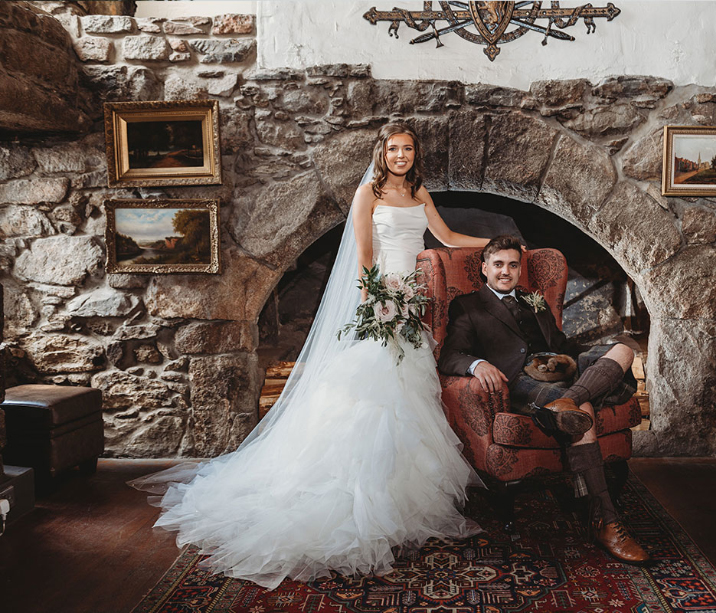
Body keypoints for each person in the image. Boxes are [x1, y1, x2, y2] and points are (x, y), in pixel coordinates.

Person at [130, 122, 490, 589]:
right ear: (382, 152)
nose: (401, 155)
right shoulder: (369, 193)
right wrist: (374, 301)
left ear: (415, 155)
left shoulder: (419, 192)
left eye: (408, 149)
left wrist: (497, 248)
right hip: (383, 300)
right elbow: (364, 254)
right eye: (394, 148)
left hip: (411, 304)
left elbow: (445, 236)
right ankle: (355, 495)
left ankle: (399, 499)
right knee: (373, 395)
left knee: (408, 395)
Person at [437, 235, 651, 564]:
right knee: (584, 409)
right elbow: (450, 355)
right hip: (521, 380)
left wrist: (593, 359)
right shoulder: (468, 305)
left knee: (624, 346)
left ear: (519, 269)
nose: (505, 271)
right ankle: (607, 521)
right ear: (484, 268)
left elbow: (563, 345)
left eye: (512, 264)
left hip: (560, 369)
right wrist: (477, 364)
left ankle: (568, 400)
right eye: (498, 265)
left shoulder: (532, 301)